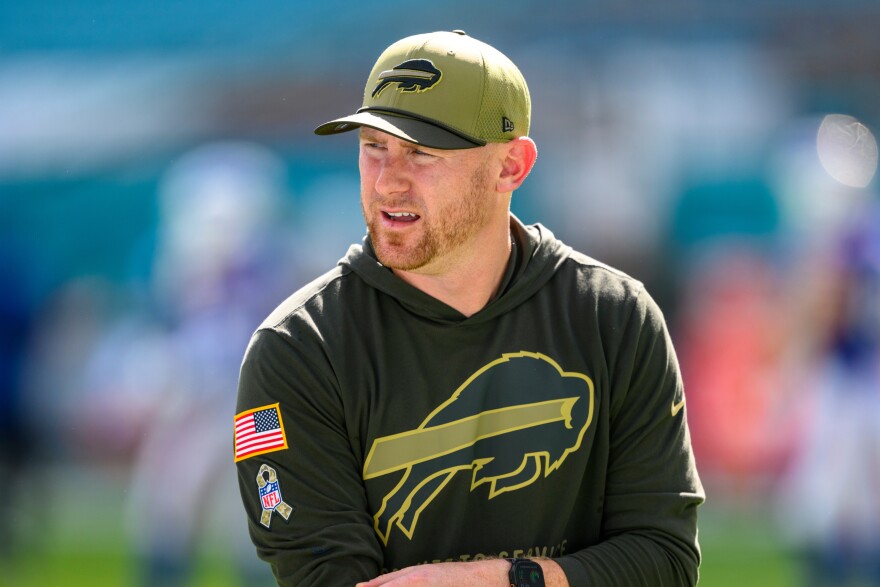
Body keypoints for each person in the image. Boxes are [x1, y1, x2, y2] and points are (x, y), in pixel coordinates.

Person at [235, 30, 704, 586]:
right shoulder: (296, 349)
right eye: (373, 147)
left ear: (511, 166)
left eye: (423, 153)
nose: (388, 181)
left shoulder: (617, 318)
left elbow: (665, 562)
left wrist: (500, 580)